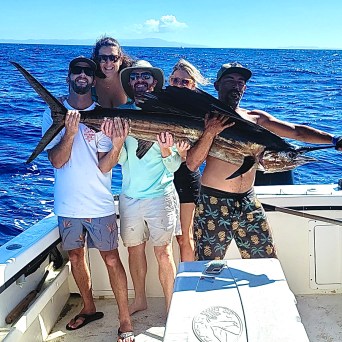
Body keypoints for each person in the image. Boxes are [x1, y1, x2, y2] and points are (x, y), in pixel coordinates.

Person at [186, 62, 342, 261]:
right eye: (230, 80)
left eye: (241, 82)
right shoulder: (204, 118)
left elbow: (296, 131)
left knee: (266, 261)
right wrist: (210, 132)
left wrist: (334, 140)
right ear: (217, 85)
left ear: (245, 88)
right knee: (208, 265)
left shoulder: (256, 119)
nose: (236, 85)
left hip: (248, 200)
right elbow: (192, 163)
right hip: (213, 202)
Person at [42, 56, 134, 342]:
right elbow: (57, 161)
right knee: (76, 257)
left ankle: (125, 320)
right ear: (69, 76)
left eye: (88, 72)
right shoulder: (52, 113)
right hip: (67, 206)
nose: (82, 75)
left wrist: (117, 143)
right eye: (76, 71)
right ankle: (89, 308)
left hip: (99, 205)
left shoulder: (105, 116)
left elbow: (104, 166)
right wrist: (69, 133)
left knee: (111, 259)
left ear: (94, 80)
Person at [100, 60, 182, 315]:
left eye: (145, 76)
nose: (140, 80)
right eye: (135, 77)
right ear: (130, 83)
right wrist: (117, 142)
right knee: (134, 251)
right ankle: (140, 300)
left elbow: (175, 166)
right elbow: (122, 159)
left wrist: (167, 149)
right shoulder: (121, 114)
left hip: (161, 196)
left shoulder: (170, 113)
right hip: (130, 197)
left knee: (163, 253)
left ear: (154, 82)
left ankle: (171, 306)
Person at [168, 59, 209, 261]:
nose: (178, 85)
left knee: (185, 237)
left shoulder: (199, 111)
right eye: (175, 80)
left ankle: (189, 286)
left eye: (184, 82)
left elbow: (196, 158)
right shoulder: (161, 104)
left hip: (185, 178)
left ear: (193, 85)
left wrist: (183, 154)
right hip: (161, 179)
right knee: (169, 239)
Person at [91, 36, 133, 107]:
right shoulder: (89, 81)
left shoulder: (132, 81)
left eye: (113, 58)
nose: (108, 63)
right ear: (97, 60)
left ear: (121, 60)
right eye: (102, 58)